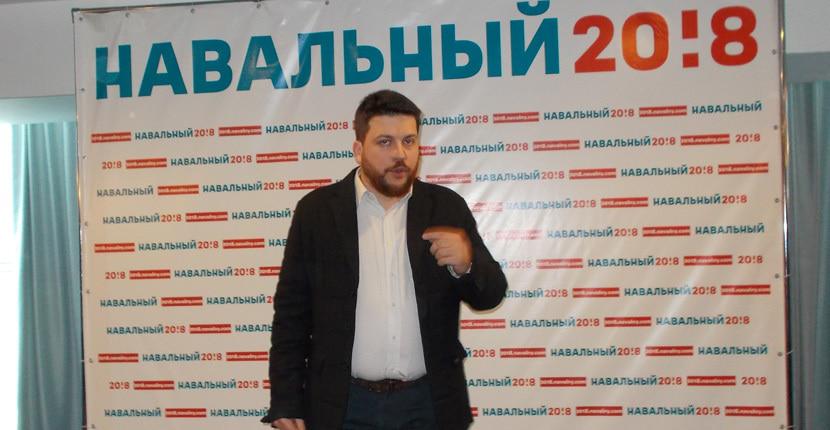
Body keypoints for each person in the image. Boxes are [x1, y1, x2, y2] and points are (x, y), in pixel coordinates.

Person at [262, 89, 508, 430]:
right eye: (385, 142)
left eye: (409, 141)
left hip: (428, 405)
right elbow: (291, 314)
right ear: (358, 149)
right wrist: (286, 399)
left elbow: (491, 295)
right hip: (342, 405)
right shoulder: (317, 212)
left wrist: (467, 265)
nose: (400, 154)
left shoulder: (445, 207)